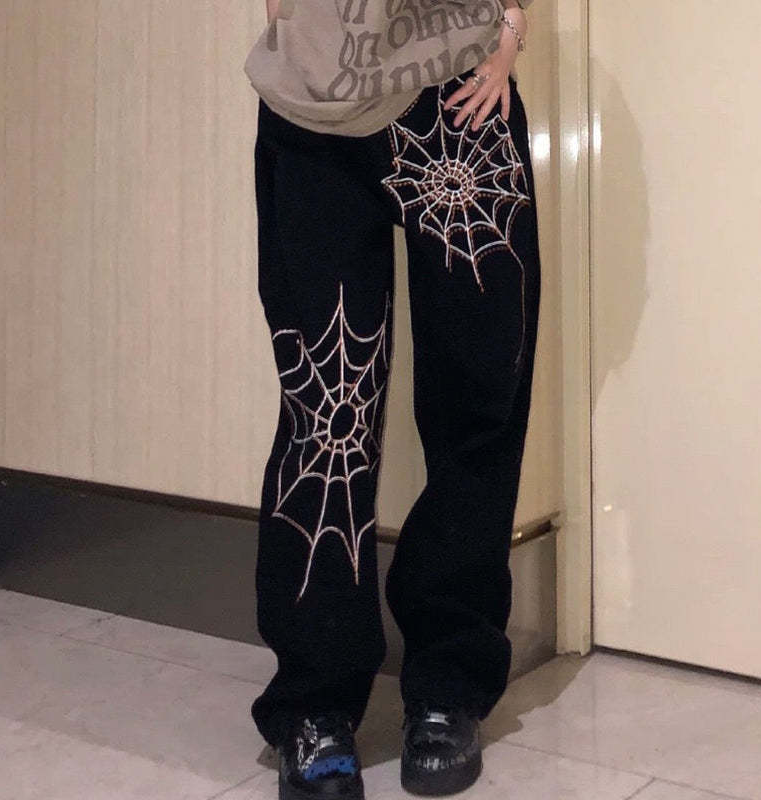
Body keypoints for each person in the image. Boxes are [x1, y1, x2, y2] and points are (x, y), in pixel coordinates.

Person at [246, 1, 539, 797]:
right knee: (327, 410)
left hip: (459, 100)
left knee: (478, 394)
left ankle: (450, 680)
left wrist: (510, 29)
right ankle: (314, 698)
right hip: (309, 113)